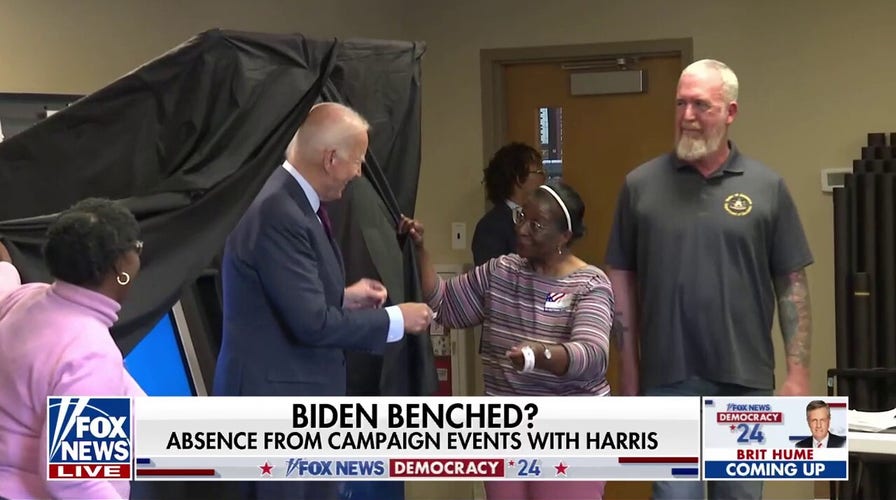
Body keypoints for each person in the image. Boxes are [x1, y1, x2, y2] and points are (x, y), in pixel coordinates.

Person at [605, 59, 814, 500]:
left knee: (739, 497)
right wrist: (629, 373)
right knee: (674, 496)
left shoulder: (766, 187)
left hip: (745, 379)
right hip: (667, 378)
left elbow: (791, 281)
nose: (687, 116)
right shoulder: (640, 186)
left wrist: (797, 374)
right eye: (680, 103)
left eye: (701, 105)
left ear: (730, 111)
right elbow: (621, 279)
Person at [212, 102, 433, 500]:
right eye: (358, 161)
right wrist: (396, 319)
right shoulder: (280, 212)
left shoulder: (292, 203)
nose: (359, 173)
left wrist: (342, 298)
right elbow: (312, 324)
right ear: (331, 159)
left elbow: (283, 298)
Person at [402, 181, 613, 500]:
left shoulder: (589, 284)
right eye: (521, 217)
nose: (522, 229)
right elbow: (444, 305)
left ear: (564, 237)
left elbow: (592, 354)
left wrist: (538, 356)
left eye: (536, 225)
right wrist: (420, 249)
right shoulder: (501, 271)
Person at [0, 198, 146, 500]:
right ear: (121, 267)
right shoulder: (91, 353)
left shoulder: (28, 298)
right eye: (137, 248)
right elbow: (73, 480)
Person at [471, 142, 546, 265]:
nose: (544, 177)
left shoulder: (541, 219)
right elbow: (492, 273)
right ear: (519, 179)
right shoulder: (491, 226)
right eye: (539, 171)